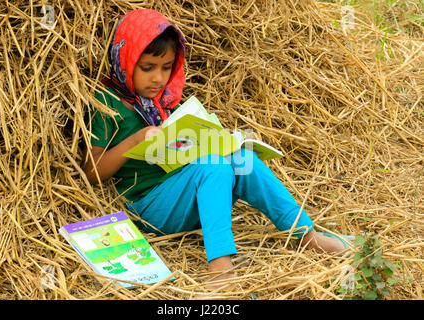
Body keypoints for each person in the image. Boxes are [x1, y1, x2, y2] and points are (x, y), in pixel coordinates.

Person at [82, 9, 353, 286]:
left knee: (242, 158)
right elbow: (92, 171)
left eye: (166, 67)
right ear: (125, 60)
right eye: (148, 67)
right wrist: (136, 140)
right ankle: (221, 270)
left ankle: (305, 235)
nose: (158, 79)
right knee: (214, 165)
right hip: (150, 209)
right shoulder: (107, 103)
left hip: (188, 195)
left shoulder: (164, 100)